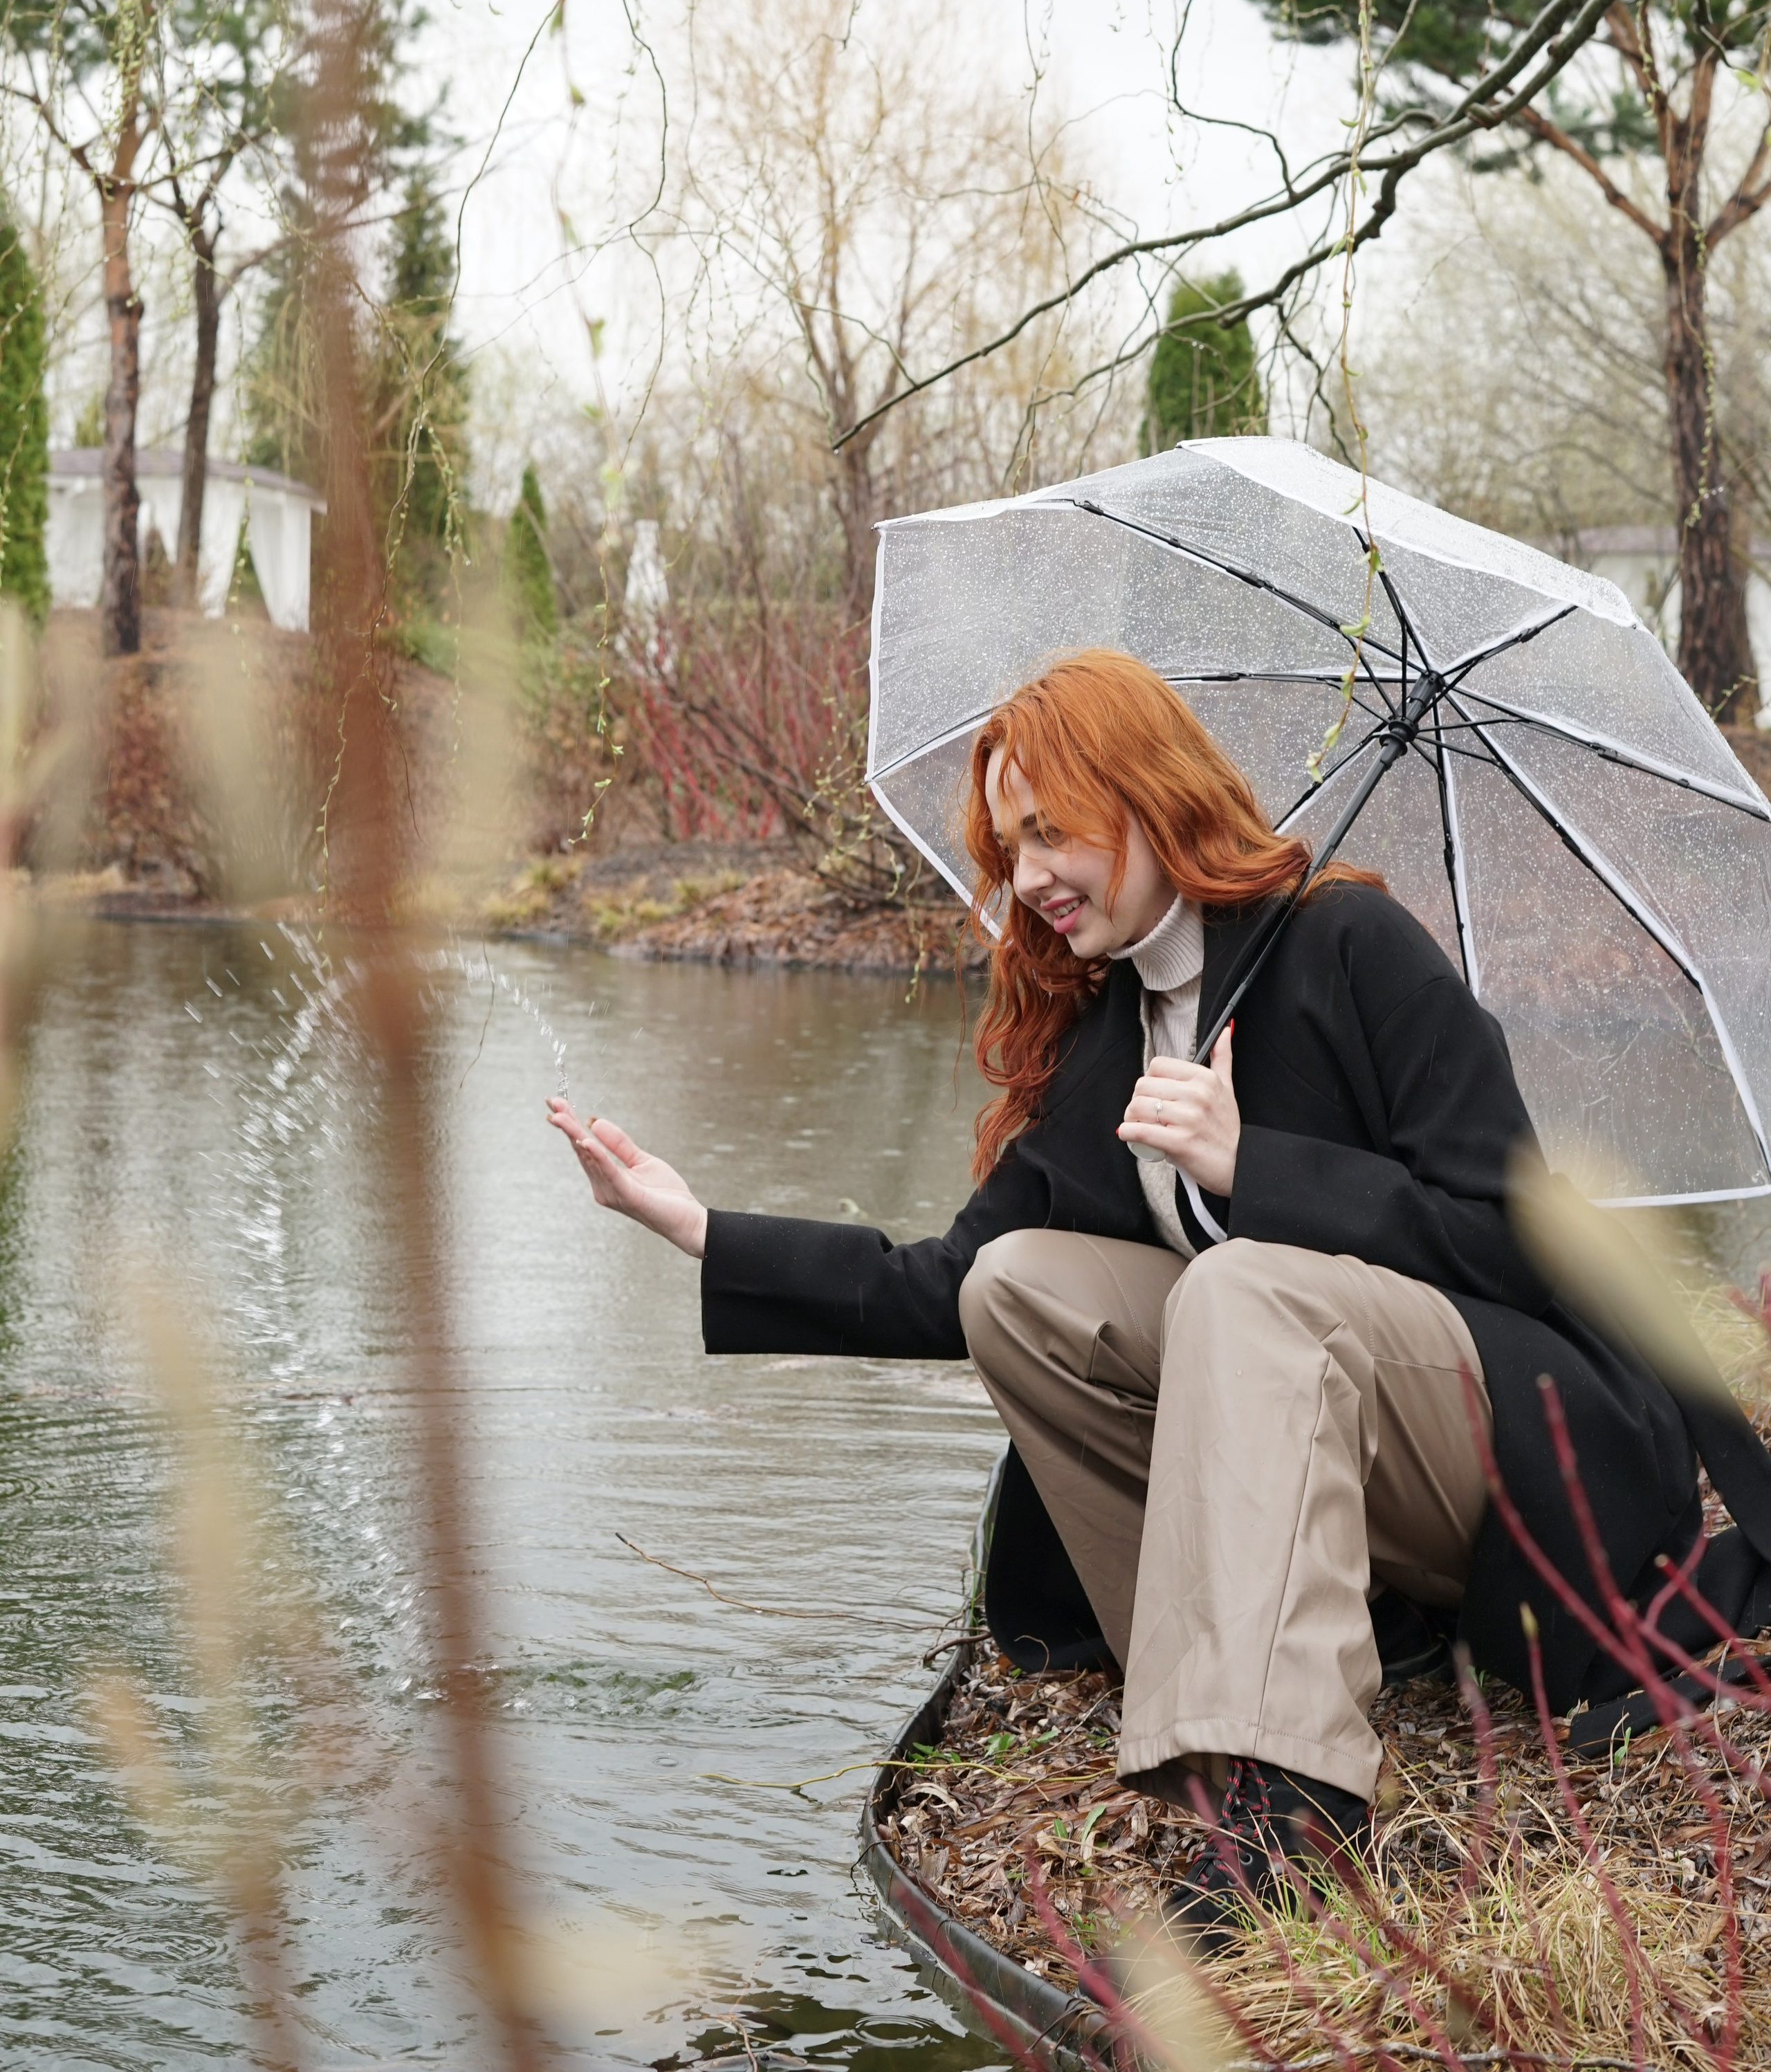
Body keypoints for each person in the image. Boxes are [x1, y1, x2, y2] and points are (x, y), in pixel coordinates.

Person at [547, 648, 1770, 1949]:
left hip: (1520, 1444)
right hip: (1349, 1475)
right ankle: (1213, 1683)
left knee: (1238, 1286)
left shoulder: (1350, 943)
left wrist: (1258, 1168)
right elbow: (947, 1286)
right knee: (1021, 1287)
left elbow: (1516, 1242)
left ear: (1146, 797)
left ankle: (1296, 1808)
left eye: (1051, 831)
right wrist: (697, 1227)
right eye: (1009, 846)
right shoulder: (1116, 1032)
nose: (1027, 877)